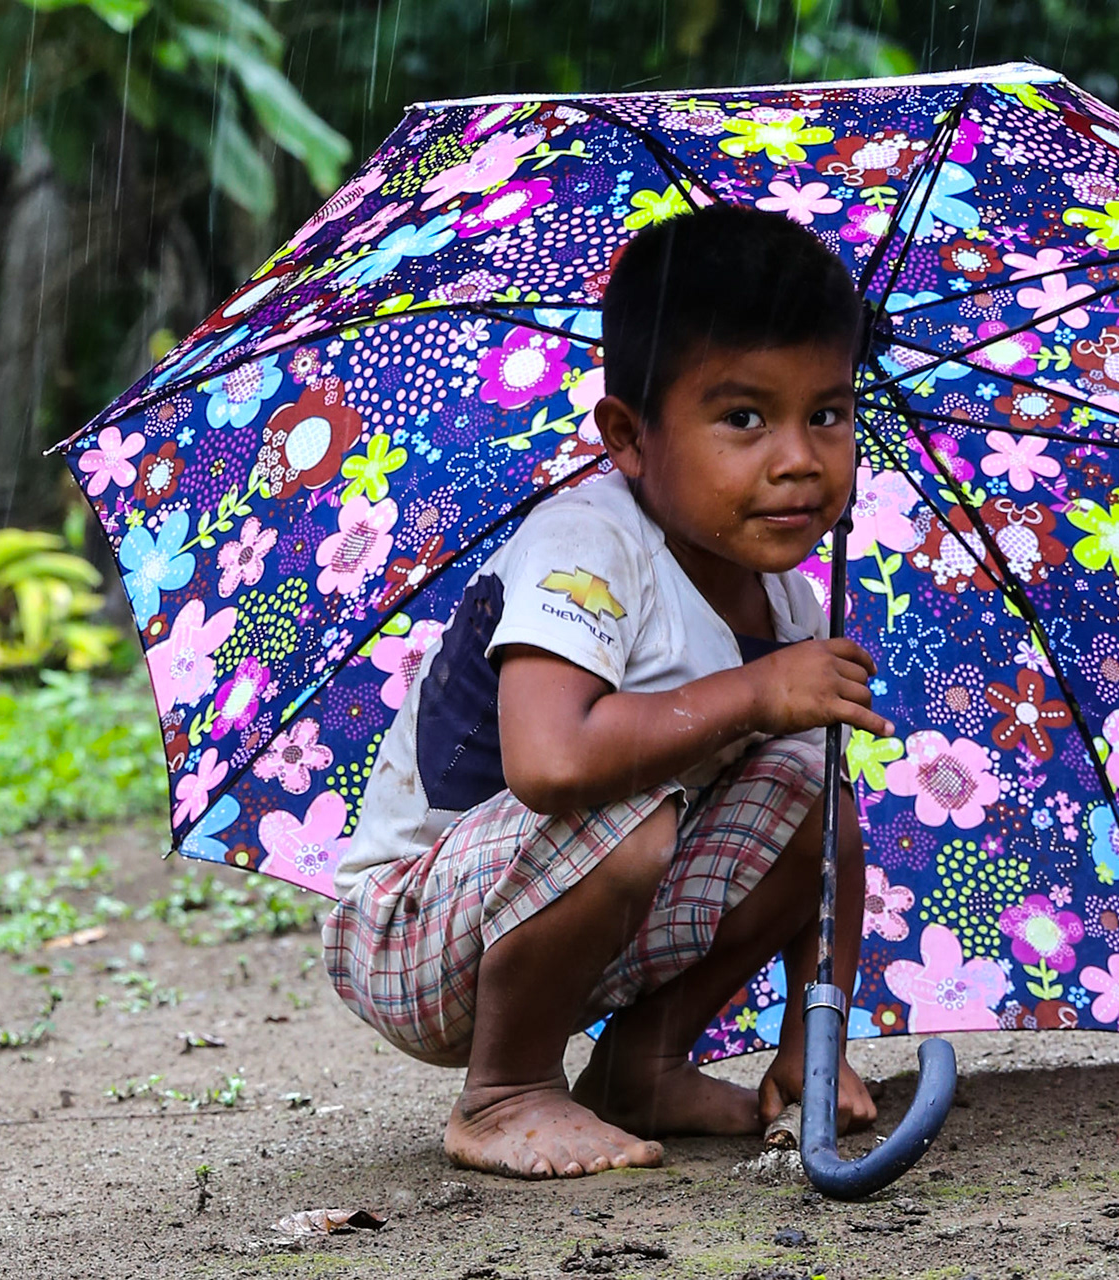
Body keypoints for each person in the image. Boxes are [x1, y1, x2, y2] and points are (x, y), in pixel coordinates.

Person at [325, 204, 887, 1179]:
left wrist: (814, 1037)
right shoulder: (588, 543)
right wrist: (758, 691)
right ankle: (504, 1090)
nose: (799, 458)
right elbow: (552, 763)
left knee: (815, 779)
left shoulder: (788, 602)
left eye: (827, 415)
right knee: (629, 794)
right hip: (415, 934)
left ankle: (642, 1064)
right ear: (628, 436)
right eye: (744, 418)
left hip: (588, 912)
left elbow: (822, 838)